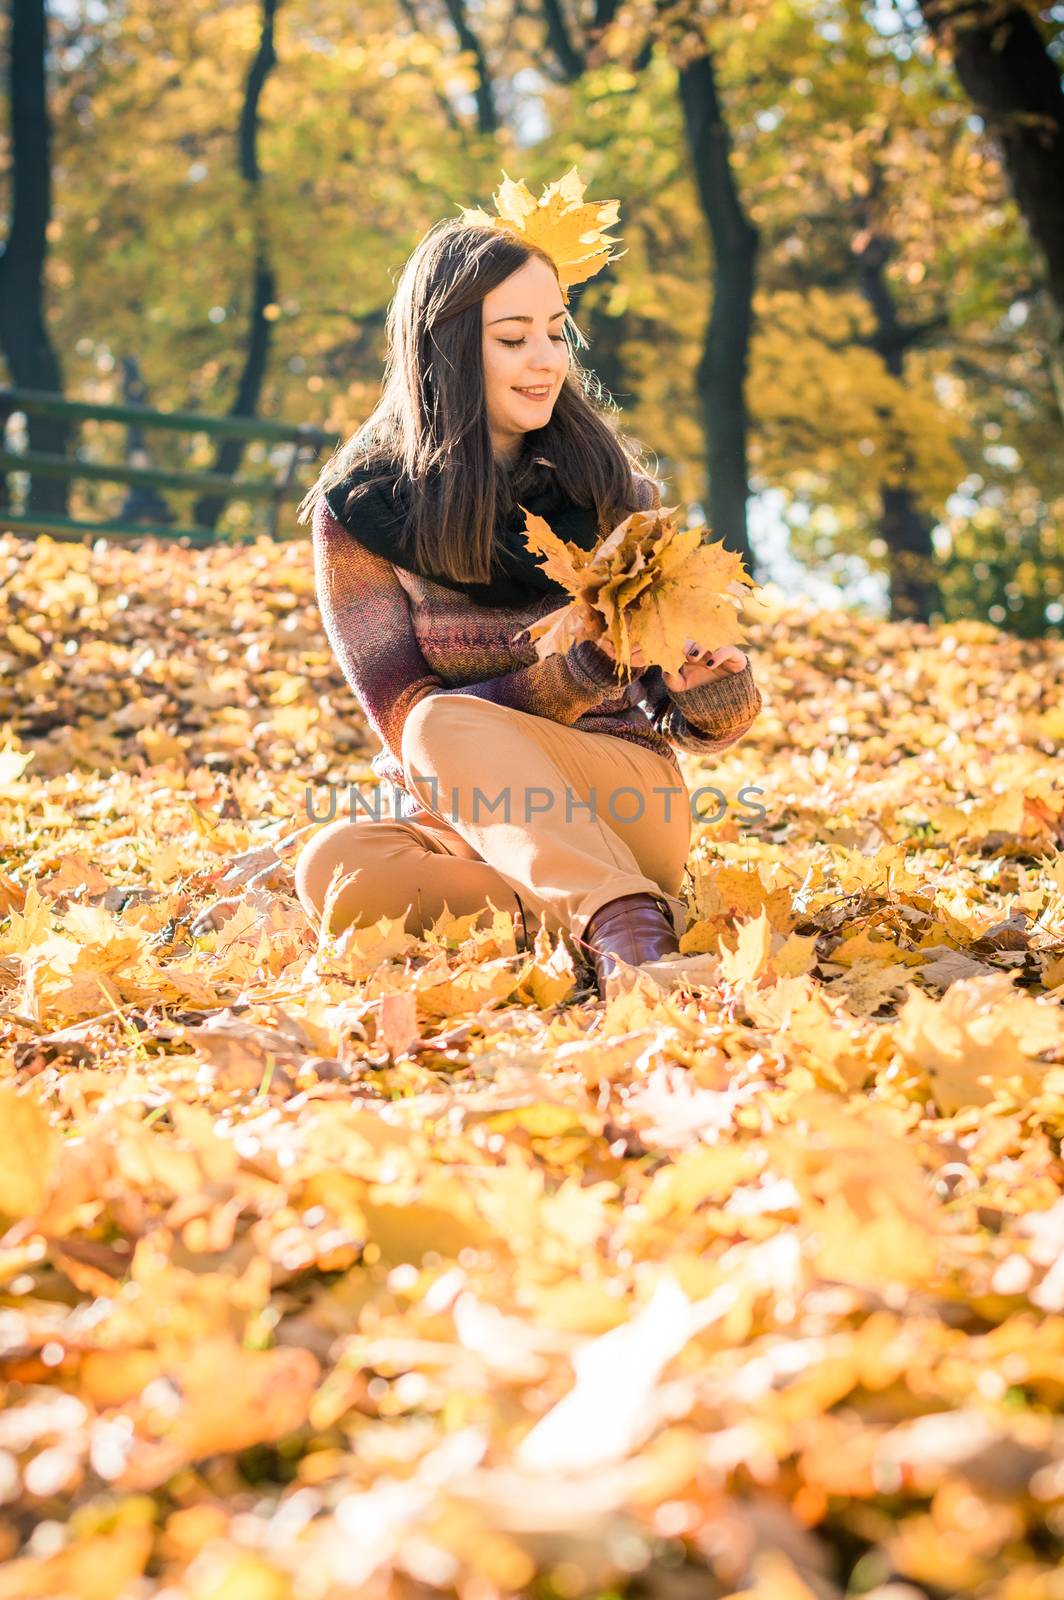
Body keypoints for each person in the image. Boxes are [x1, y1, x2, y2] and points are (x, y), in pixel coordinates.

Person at [293, 170, 762, 999]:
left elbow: (697, 727)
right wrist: (571, 674)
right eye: (513, 338)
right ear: (443, 350)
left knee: (446, 721)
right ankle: (607, 915)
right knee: (333, 867)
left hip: (627, 795)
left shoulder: (614, 490)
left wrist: (711, 690)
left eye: (556, 331)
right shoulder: (361, 517)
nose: (546, 360)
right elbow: (402, 725)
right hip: (486, 822)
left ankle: (627, 932)